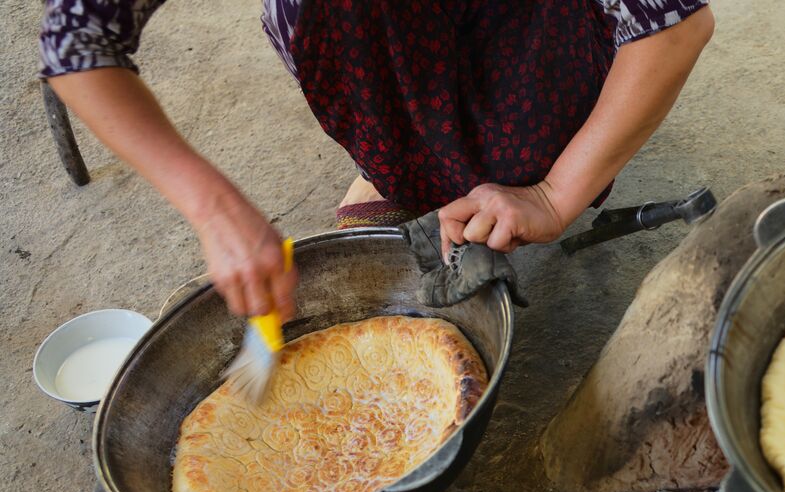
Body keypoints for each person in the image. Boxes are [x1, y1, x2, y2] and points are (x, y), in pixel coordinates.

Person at [40, 0, 714, 319]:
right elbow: (76, 40)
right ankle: (394, 165)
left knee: (526, 153)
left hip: (536, 21)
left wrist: (555, 194)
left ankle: (527, 159)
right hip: (380, 29)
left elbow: (674, 25)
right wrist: (215, 211)